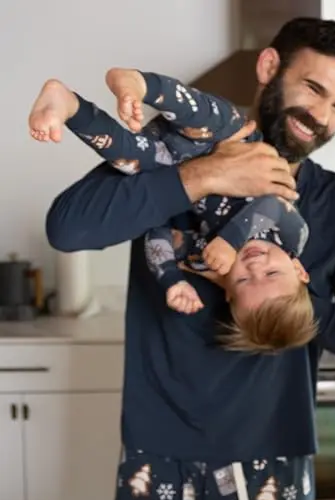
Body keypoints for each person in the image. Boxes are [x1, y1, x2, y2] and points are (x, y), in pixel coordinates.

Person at [44, 18, 335, 500]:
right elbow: (67, 229)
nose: (321, 115)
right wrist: (206, 176)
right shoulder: (179, 151)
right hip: (158, 448)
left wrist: (280, 291)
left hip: (274, 453)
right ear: (269, 67)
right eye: (313, 89)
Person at [29, 69, 316, 351]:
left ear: (228, 292)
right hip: (231, 139)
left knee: (130, 159)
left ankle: (69, 106)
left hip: (174, 161)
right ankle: (142, 85)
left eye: (243, 280)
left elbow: (158, 234)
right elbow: (271, 205)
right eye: (273, 274)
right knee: (208, 117)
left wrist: (171, 279)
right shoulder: (294, 236)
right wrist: (230, 241)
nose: (255, 267)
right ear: (298, 269)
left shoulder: (208, 259)